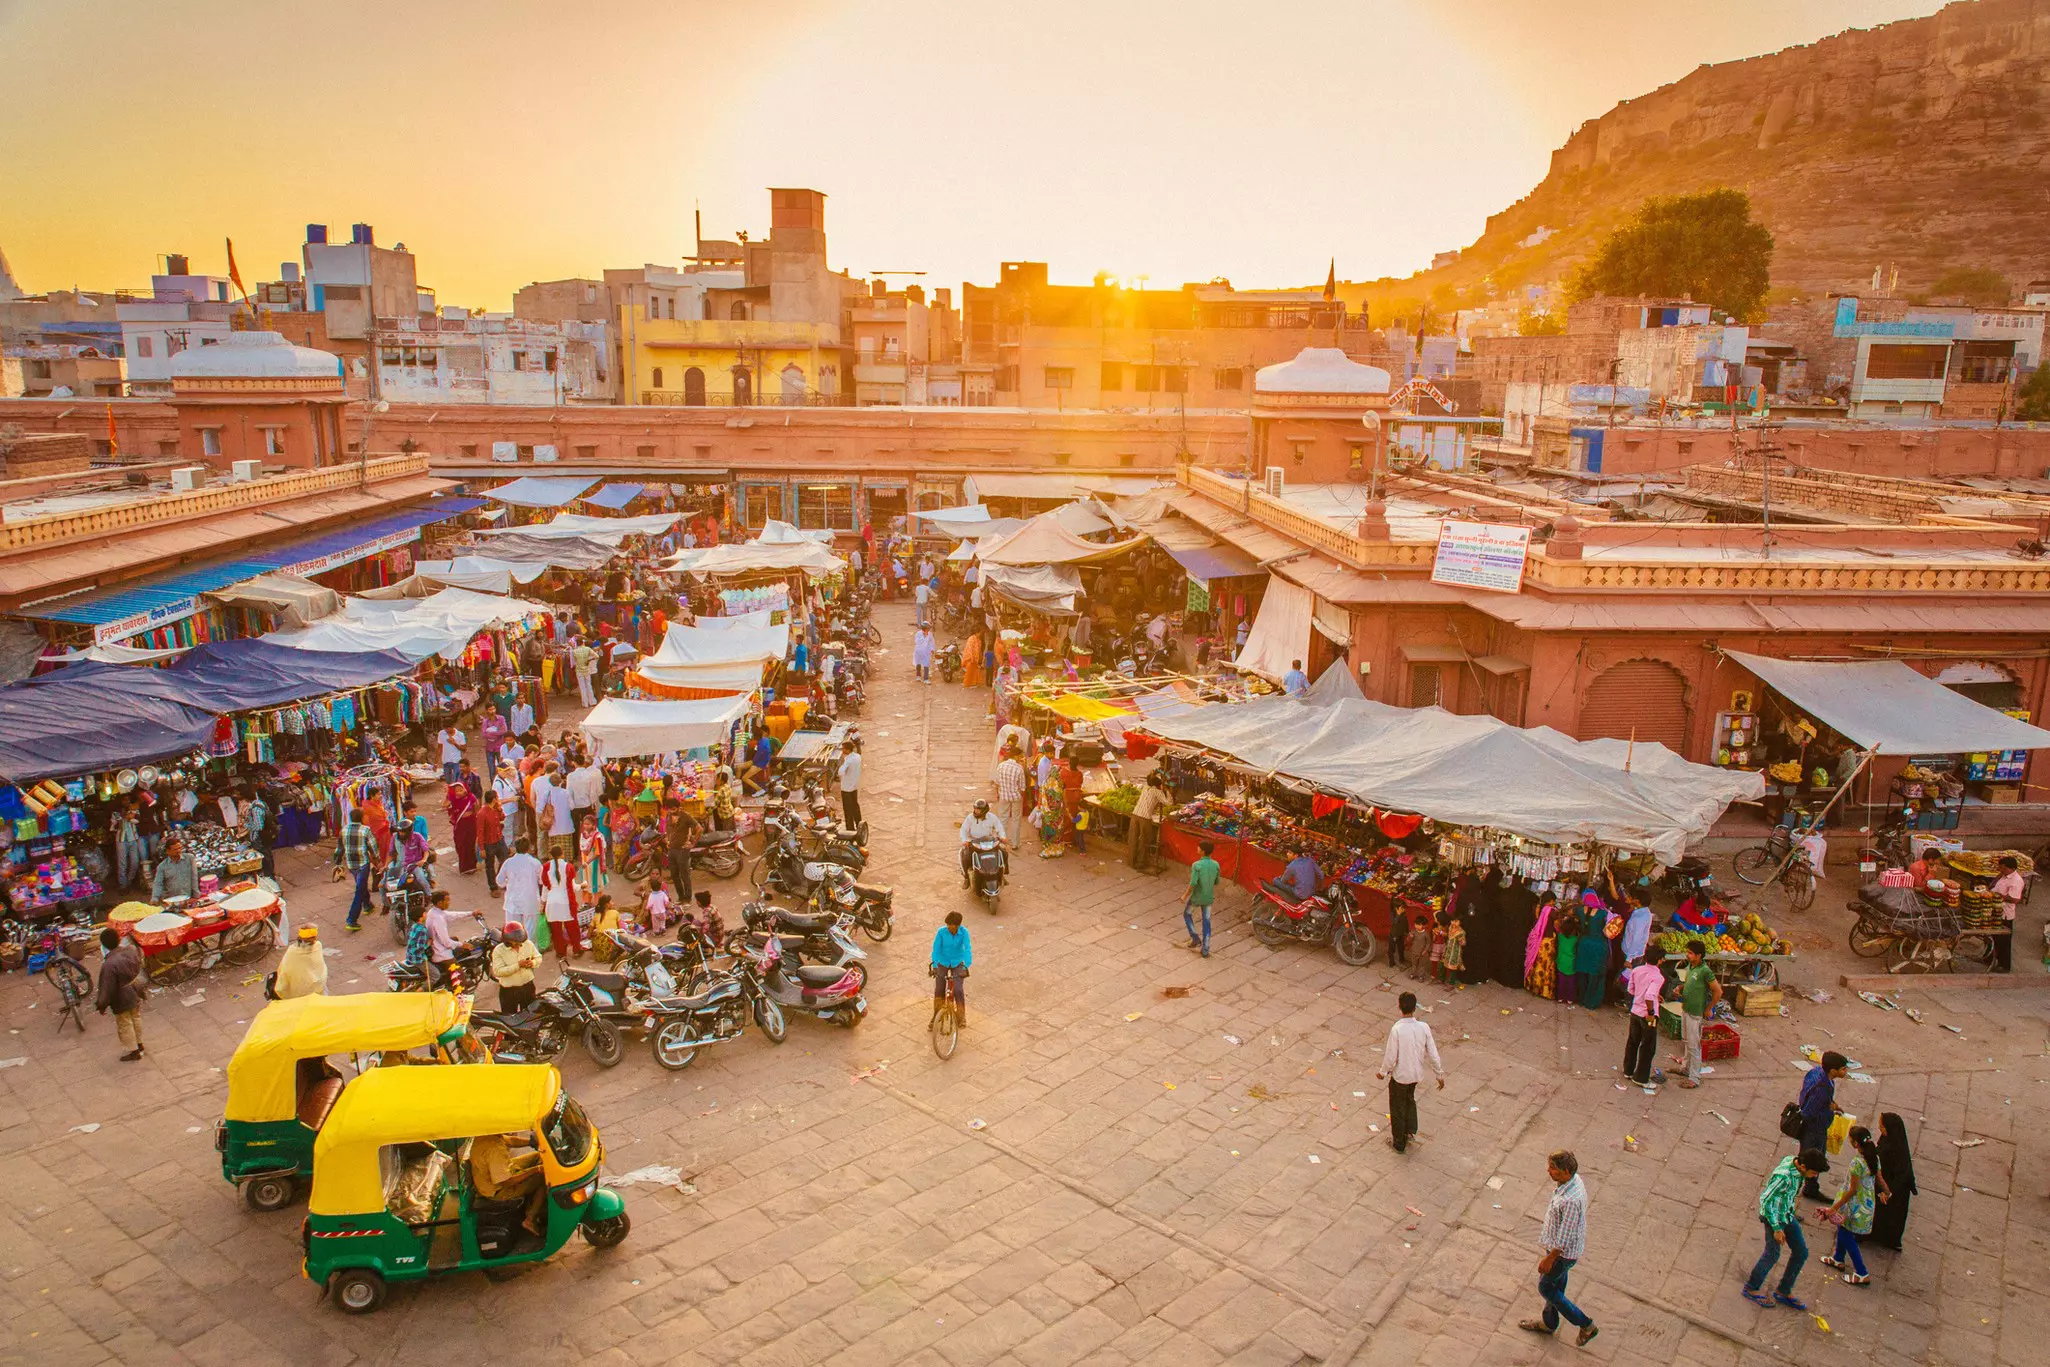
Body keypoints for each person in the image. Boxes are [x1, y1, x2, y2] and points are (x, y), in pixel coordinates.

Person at [1520, 1150, 1597, 1346]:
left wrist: (1549, 1258)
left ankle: (1585, 1325)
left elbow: (1565, 1236)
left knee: (1545, 1287)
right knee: (1556, 1287)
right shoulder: (1573, 1181)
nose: (1549, 1171)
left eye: (1553, 1168)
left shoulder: (1571, 1201)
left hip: (1562, 1255)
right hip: (1562, 1251)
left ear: (1566, 1171)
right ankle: (1549, 1323)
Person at [1743, 1148, 1831, 1310]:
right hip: (1773, 1218)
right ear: (1803, 1166)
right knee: (1772, 1254)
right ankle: (1751, 1287)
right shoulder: (1784, 1177)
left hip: (1787, 1214)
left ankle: (1783, 1290)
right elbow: (1766, 1200)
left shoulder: (1795, 1163)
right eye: (1813, 1173)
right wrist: (1776, 1228)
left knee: (1801, 1252)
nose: (1815, 1176)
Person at [1376, 991, 1444, 1154]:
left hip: (1401, 1076)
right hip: (1415, 1074)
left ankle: (1399, 1142)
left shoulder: (1397, 1029)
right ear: (1415, 1008)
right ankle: (1410, 1130)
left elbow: (1391, 1056)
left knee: (1397, 1106)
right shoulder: (1423, 1027)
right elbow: (1433, 1053)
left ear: (1399, 1007)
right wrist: (1439, 1074)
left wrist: (1382, 1072)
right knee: (1409, 1099)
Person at [1818, 1124, 1885, 1286]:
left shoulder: (1857, 1163)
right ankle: (1837, 1258)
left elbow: (1853, 1190)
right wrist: (1887, 1193)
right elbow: (1880, 1179)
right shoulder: (1874, 1159)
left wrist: (1834, 1207)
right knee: (1843, 1229)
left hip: (1853, 1205)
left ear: (1855, 1143)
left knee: (1846, 1235)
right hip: (1866, 1204)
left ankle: (1862, 1272)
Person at [1796, 1051, 1848, 1199]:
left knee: (1815, 1158)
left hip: (1817, 1127)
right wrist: (1828, 1110)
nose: (1845, 1072)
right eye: (1843, 1069)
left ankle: (1811, 1187)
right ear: (1833, 1070)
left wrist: (1831, 1105)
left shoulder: (1817, 1072)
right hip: (1814, 1129)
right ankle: (1806, 1189)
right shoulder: (1822, 1087)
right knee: (1811, 1161)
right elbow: (1808, 1112)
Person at [1670, 940, 1720, 1088]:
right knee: (1686, 1040)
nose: (1688, 955)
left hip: (1695, 1013)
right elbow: (1692, 984)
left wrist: (1709, 1008)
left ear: (1699, 955)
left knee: (1693, 1045)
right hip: (1686, 1009)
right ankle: (1685, 1068)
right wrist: (1680, 987)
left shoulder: (1706, 971)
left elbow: (1718, 991)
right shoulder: (1691, 967)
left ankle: (1694, 1078)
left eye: (1691, 953)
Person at [94, 927, 146, 1061]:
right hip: (135, 988)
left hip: (121, 996)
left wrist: (101, 1005)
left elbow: (107, 988)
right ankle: (139, 1043)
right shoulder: (131, 951)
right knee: (136, 1016)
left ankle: (133, 1051)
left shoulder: (109, 965)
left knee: (124, 1022)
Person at [1869, 1112, 1917, 1251]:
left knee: (1890, 1215)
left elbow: (1902, 1176)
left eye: (1882, 1127)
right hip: (1884, 1182)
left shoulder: (1897, 1150)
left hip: (1895, 1188)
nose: (1880, 1129)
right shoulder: (1888, 1140)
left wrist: (1888, 1192)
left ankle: (1888, 1239)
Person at [1621, 956, 1665, 1091]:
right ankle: (1641, 1078)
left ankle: (1628, 1070)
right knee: (1648, 1046)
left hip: (1635, 1012)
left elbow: (1631, 990)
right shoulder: (1658, 977)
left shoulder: (1637, 970)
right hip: (1648, 1016)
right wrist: (1651, 1013)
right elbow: (1649, 996)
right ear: (1660, 959)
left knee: (1633, 1041)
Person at [424, 890, 480, 989]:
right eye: (447, 900)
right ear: (439, 902)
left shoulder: (434, 912)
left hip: (435, 944)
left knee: (455, 938)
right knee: (460, 978)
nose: (449, 902)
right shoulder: (438, 919)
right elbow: (447, 943)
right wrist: (462, 944)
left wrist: (471, 913)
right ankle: (461, 997)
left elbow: (452, 915)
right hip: (440, 953)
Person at [338, 807, 380, 930]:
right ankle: (351, 919)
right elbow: (373, 847)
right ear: (362, 818)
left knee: (360, 886)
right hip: (363, 864)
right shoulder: (365, 830)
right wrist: (377, 860)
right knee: (359, 890)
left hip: (351, 864)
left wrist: (338, 862)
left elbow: (339, 848)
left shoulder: (344, 829)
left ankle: (367, 905)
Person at [489, 921, 542, 1013]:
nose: (519, 945)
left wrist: (533, 963)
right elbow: (498, 971)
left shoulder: (527, 944)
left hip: (527, 988)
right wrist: (518, 966)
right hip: (509, 991)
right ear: (507, 940)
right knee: (509, 1019)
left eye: (520, 942)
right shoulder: (499, 950)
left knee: (529, 1017)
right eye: (515, 943)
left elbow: (538, 957)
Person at [930, 910, 972, 1027]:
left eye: (951, 926)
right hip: (942, 961)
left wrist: (965, 966)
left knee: (958, 990)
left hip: (958, 962)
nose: (949, 927)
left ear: (958, 926)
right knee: (939, 989)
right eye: (948, 925)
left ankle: (961, 1017)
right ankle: (936, 1016)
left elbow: (967, 949)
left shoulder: (964, 933)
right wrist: (934, 966)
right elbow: (936, 950)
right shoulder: (941, 932)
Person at [499, 837, 544, 939]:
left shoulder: (508, 862)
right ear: (528, 848)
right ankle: (529, 952)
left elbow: (499, 881)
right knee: (530, 932)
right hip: (530, 901)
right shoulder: (535, 862)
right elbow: (542, 880)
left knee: (512, 931)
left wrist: (508, 883)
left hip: (512, 902)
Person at [541, 850, 582, 961]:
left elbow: (545, 887)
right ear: (562, 854)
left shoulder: (546, 867)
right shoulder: (568, 867)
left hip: (552, 902)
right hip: (566, 902)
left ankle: (560, 952)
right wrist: (582, 885)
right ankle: (576, 950)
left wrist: (543, 903)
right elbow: (573, 887)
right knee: (572, 928)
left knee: (556, 930)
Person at [1128, 772, 1171, 873]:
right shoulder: (1157, 792)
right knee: (1144, 840)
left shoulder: (1145, 787)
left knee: (1133, 838)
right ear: (1158, 784)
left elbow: (1150, 777)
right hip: (1145, 818)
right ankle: (1140, 863)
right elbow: (1169, 803)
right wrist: (1167, 791)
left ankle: (1131, 861)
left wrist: (1155, 773)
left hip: (1135, 814)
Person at [959, 798, 1007, 887]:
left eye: (978, 809)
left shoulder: (992, 817)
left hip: (989, 842)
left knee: (1003, 852)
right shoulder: (970, 818)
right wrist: (964, 840)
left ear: (984, 810)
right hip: (974, 843)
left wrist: (1003, 837)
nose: (976, 811)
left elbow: (999, 827)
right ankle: (966, 878)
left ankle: (1001, 874)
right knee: (965, 856)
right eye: (975, 808)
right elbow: (963, 830)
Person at [1185, 838, 1221, 956]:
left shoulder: (1197, 865)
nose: (1197, 848)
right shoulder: (1216, 864)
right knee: (1207, 921)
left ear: (1203, 851)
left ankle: (1195, 937)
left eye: (1199, 847)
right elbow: (1217, 881)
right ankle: (1205, 948)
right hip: (1209, 897)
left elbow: (1193, 883)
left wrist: (1185, 895)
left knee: (1187, 914)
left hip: (1196, 897)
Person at [273, 925, 328, 998]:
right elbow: (320, 968)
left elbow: (284, 971)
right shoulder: (318, 946)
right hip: (317, 988)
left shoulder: (292, 951)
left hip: (297, 992)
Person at [993, 744, 1028, 850]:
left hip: (1003, 795)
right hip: (1015, 797)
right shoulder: (1019, 769)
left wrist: (999, 793)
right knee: (1016, 819)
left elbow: (997, 782)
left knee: (1003, 819)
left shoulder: (1001, 766)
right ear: (1016, 756)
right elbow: (1022, 788)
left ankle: (1002, 843)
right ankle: (1015, 844)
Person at [1993, 855, 2022, 971]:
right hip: (1996, 911)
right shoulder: (2004, 876)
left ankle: (2004, 966)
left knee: (2004, 942)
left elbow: (2016, 899)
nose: (2001, 870)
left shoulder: (2016, 881)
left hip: (2005, 914)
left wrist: (2000, 897)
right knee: (1994, 938)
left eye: (2003, 869)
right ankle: (1990, 958)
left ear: (2011, 868)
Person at [150, 834, 198, 903]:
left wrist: (196, 895)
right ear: (168, 851)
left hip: (188, 898)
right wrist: (155, 898)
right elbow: (158, 883)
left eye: (180, 848)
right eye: (175, 849)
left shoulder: (190, 858)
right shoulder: (162, 866)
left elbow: (194, 877)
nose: (178, 851)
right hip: (171, 900)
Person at [478, 791, 509, 894]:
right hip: (489, 843)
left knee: (505, 860)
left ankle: (501, 880)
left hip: (499, 839)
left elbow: (502, 817)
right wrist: (481, 848)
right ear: (494, 800)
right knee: (490, 866)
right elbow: (480, 832)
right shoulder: (482, 813)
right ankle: (493, 887)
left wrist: (500, 810)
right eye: (497, 797)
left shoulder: (496, 809)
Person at [447, 781, 480, 876]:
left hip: (470, 823)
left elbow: (476, 808)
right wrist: (447, 795)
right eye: (456, 791)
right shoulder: (453, 799)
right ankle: (464, 867)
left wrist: (474, 817)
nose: (458, 792)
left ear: (465, 790)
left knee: (470, 844)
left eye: (460, 790)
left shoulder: (471, 797)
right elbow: (444, 805)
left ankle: (472, 866)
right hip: (460, 825)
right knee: (460, 844)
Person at [567, 756, 604, 836]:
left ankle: (577, 847)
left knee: (576, 830)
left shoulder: (570, 776)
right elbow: (592, 792)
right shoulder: (589, 775)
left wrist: (571, 806)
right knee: (588, 828)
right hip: (587, 804)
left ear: (575, 763)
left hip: (575, 806)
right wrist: (593, 803)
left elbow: (569, 792)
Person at [838, 739, 863, 831]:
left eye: (843, 749)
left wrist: (843, 764)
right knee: (855, 806)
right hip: (854, 786)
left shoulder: (848, 760)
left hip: (846, 788)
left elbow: (840, 772)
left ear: (848, 750)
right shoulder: (857, 757)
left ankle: (850, 829)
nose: (843, 751)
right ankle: (859, 824)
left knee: (848, 810)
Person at [437, 723, 467, 788]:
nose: (446, 730)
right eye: (445, 728)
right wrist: (436, 762)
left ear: (452, 726)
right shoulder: (441, 733)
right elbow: (439, 747)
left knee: (456, 781)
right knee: (448, 781)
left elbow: (464, 749)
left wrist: (454, 743)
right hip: (446, 760)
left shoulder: (460, 735)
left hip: (456, 761)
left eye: (448, 728)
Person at [572, 637, 599, 706]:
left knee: (582, 687)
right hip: (587, 670)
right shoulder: (588, 649)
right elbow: (597, 656)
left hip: (579, 670)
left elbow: (575, 661)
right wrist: (589, 660)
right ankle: (592, 701)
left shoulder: (574, 651)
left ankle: (585, 703)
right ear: (583, 643)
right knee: (588, 685)